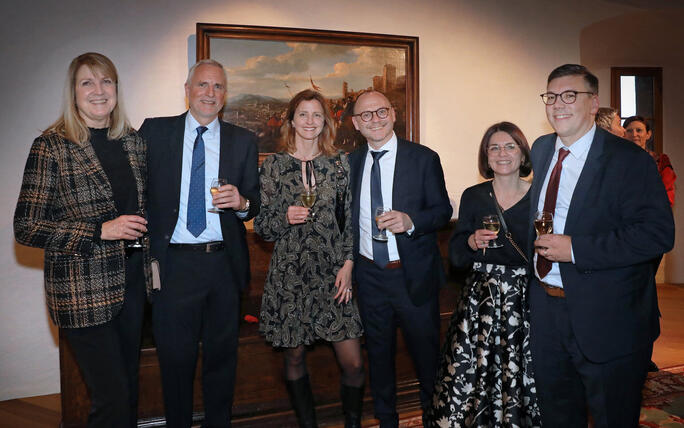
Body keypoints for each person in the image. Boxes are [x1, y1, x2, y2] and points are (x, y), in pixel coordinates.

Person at [529, 64, 674, 428]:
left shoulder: (630, 160)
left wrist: (576, 249)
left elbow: (657, 235)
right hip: (547, 312)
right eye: (551, 96)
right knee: (558, 416)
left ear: (594, 103)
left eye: (569, 95)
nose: (557, 104)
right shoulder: (543, 148)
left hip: (608, 316)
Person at [14, 52, 150, 427]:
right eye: (87, 82)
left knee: (129, 392)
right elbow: (26, 226)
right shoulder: (51, 146)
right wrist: (98, 230)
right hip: (81, 292)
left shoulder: (132, 143)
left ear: (117, 90)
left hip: (133, 285)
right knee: (112, 399)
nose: (99, 90)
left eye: (106, 81)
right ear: (73, 92)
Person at [139, 59, 260, 428]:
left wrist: (242, 203)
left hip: (223, 266)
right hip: (173, 266)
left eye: (218, 87)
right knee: (175, 361)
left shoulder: (243, 141)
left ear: (225, 96)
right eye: (203, 85)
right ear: (188, 89)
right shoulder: (155, 133)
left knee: (222, 360)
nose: (210, 93)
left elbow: (255, 201)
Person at [255, 89, 365, 428]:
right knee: (295, 356)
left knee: (354, 363)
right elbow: (263, 228)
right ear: (291, 120)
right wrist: (283, 217)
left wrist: (348, 265)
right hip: (289, 275)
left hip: (333, 273)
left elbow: (350, 219)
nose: (310, 121)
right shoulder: (273, 166)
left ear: (326, 122)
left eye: (317, 115)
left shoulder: (340, 163)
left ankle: (352, 423)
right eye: (303, 114)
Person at [426, 122, 541, 427]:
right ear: (486, 157)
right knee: (472, 371)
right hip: (481, 300)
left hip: (526, 298)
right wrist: (470, 241)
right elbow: (458, 259)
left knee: (524, 370)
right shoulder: (474, 196)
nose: (502, 154)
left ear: (522, 153)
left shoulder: (541, 196)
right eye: (494, 148)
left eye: (510, 146)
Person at [349, 90, 452, 428]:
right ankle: (386, 420)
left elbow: (442, 211)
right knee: (378, 357)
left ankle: (434, 419)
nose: (374, 119)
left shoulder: (423, 158)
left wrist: (411, 222)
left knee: (426, 358)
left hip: (413, 276)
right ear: (355, 123)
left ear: (393, 114)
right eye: (366, 115)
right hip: (369, 277)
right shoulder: (349, 163)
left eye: (381, 112)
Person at [623, 115, 676, 206]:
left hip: (653, 215)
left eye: (639, 130)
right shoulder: (617, 161)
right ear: (623, 135)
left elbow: (668, 194)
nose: (634, 134)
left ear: (648, 134)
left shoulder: (661, 161)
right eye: (629, 131)